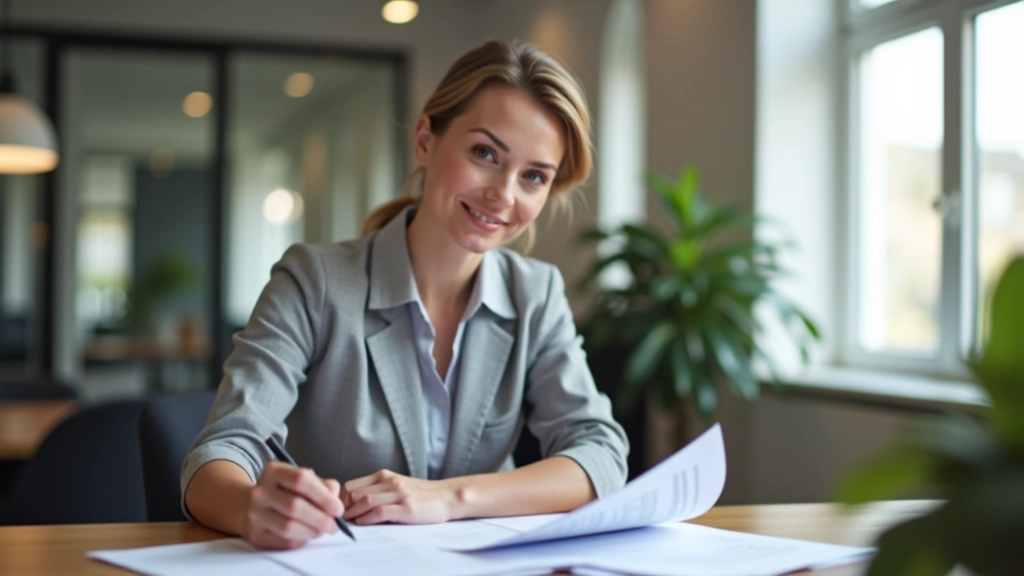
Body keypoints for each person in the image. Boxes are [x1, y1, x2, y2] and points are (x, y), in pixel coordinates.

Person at [182, 39, 629, 550]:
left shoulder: (537, 294)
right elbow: (220, 451)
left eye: (533, 176)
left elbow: (601, 453)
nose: (504, 195)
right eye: (485, 153)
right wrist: (250, 507)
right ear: (424, 139)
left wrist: (450, 498)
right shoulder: (315, 281)